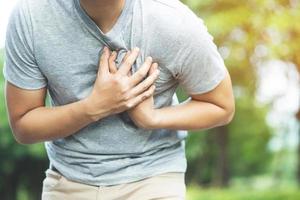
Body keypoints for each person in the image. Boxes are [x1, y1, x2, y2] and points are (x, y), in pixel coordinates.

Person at [3, 0, 235, 199]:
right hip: (68, 181)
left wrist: (152, 118)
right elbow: (23, 124)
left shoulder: (173, 21)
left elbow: (221, 106)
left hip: (153, 178)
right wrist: (94, 107)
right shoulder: (32, 17)